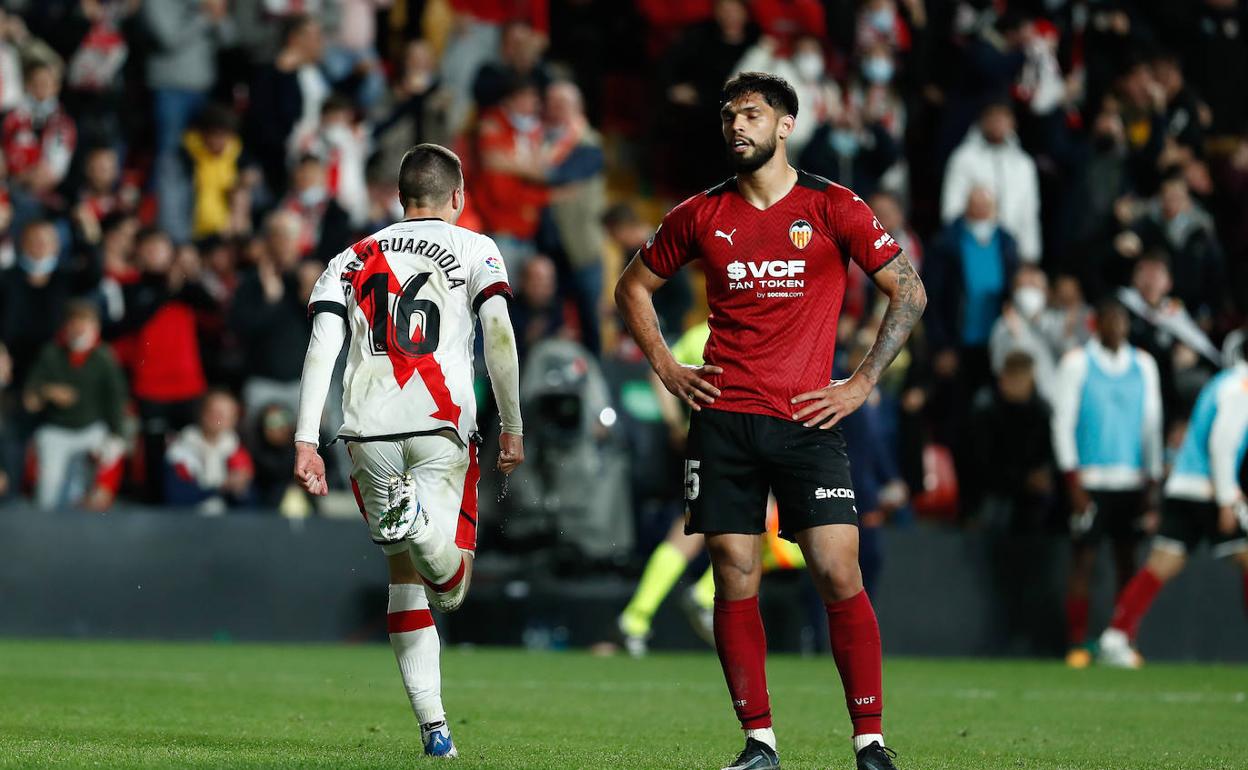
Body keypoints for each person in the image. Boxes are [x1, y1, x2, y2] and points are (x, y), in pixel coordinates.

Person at [615, 72, 924, 770]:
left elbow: (908, 289)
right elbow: (632, 287)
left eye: (751, 114)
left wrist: (861, 382)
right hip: (723, 419)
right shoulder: (699, 213)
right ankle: (759, 743)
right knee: (733, 573)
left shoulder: (833, 205)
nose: (737, 126)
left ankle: (870, 742)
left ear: (786, 125)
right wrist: (667, 367)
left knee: (838, 569)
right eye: (729, 116)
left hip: (808, 418)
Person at [292, 143, 524, 758]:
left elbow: (321, 349)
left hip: (367, 433)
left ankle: (434, 730)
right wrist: (513, 423)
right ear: (458, 197)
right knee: (450, 587)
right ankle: (419, 522)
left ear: (400, 199)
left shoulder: (349, 257)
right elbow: (499, 335)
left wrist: (306, 439)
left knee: (403, 575)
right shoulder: (476, 248)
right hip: (439, 425)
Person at [1096, 351, 1248, 668]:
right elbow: (1222, 444)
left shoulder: (1226, 381)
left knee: (1162, 562)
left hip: (1184, 485)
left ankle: (1116, 636)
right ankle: (1116, 637)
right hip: (1208, 490)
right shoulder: (1242, 388)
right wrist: (1226, 499)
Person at [1051, 299, 1163, 668]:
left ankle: (1123, 639)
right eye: (1111, 320)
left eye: (1122, 321)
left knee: (1128, 562)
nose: (1118, 327)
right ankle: (1077, 643)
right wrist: (1072, 479)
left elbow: (1152, 425)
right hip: (1090, 479)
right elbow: (1063, 422)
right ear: (1096, 324)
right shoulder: (1077, 362)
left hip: (1131, 480)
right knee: (1083, 560)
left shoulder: (1144, 365)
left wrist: (1152, 479)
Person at [23, 301, 127, 511]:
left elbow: (116, 399)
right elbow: (30, 397)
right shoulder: (51, 353)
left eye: (85, 322)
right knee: (48, 490)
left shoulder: (104, 357)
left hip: (91, 429)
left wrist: (117, 435)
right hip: (56, 429)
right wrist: (49, 391)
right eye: (75, 322)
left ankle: (95, 504)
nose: (80, 329)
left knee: (110, 456)